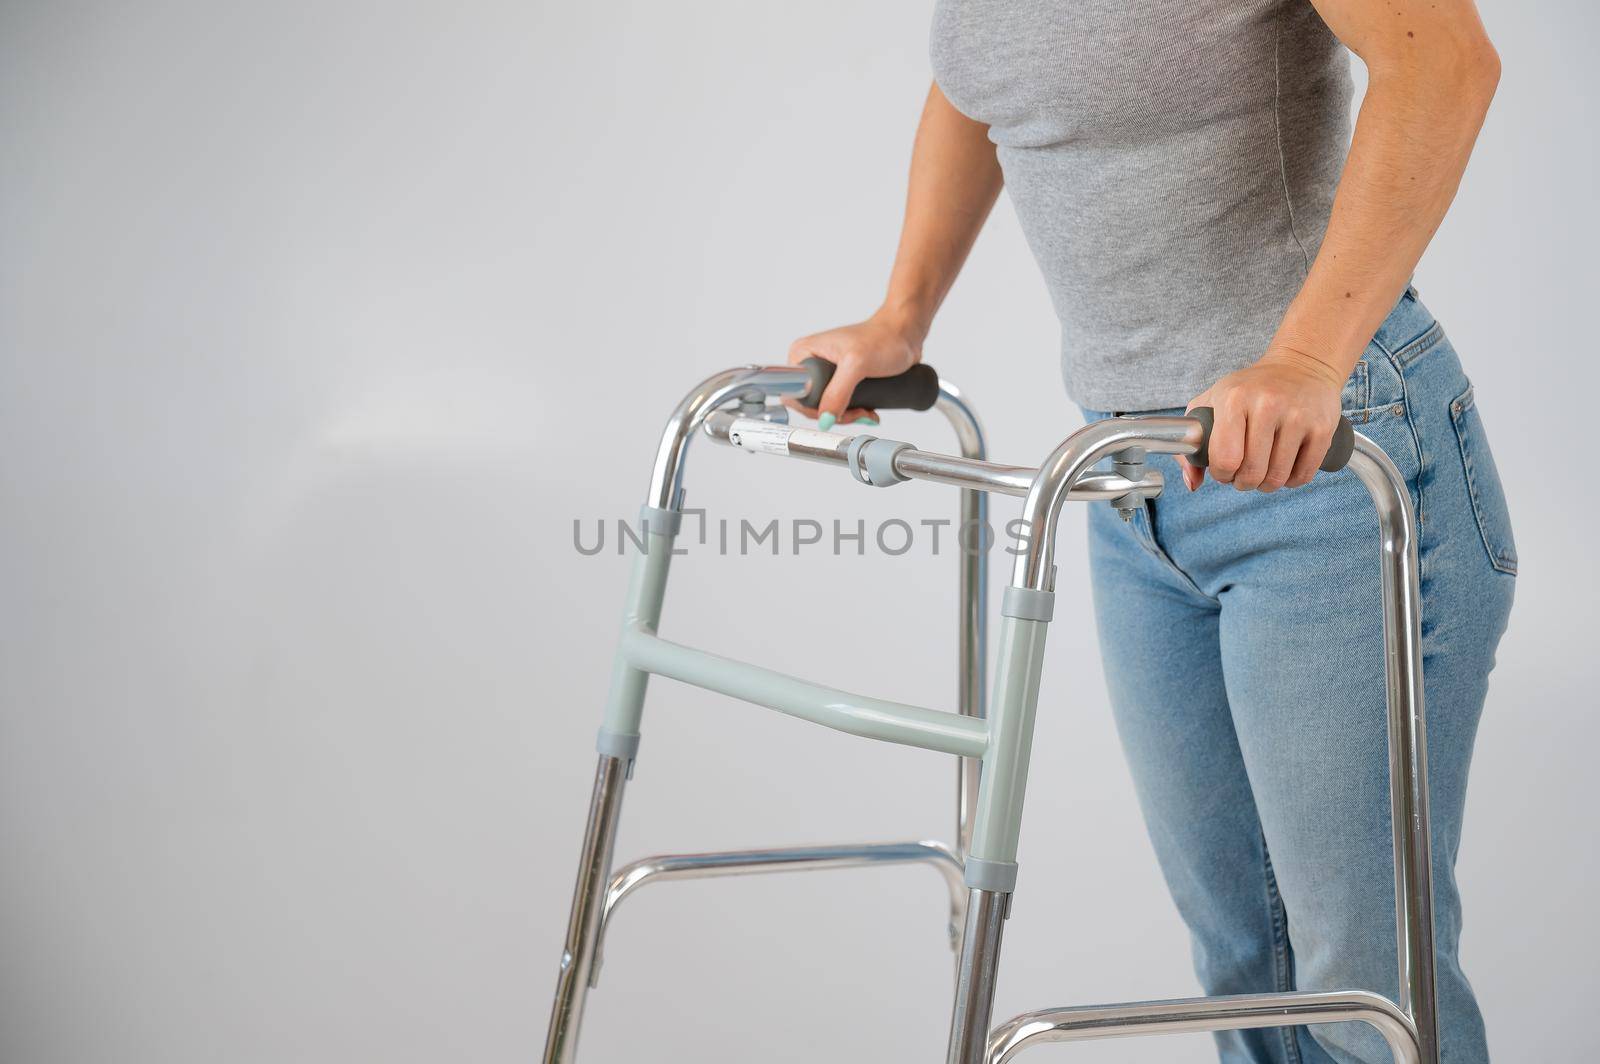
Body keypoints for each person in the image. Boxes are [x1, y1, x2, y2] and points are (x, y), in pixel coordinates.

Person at [787, 2, 1515, 1062]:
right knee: (1241, 966)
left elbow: (1444, 63)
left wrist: (1303, 360)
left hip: (1325, 458)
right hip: (1128, 477)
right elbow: (977, 89)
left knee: (1366, 992)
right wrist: (902, 313)